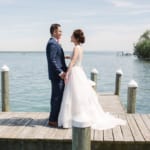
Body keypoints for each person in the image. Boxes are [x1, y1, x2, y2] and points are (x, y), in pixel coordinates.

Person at [58, 29, 126, 130]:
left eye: (72, 36)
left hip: (75, 72)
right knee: (78, 95)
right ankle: (77, 115)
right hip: (79, 71)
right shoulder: (79, 47)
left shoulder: (76, 47)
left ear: (76, 38)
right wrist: (66, 57)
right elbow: (75, 59)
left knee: (74, 95)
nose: (70, 37)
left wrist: (67, 73)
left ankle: (75, 117)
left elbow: (73, 62)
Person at [46, 23, 67, 127]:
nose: (61, 33)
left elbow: (57, 58)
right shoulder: (52, 44)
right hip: (57, 76)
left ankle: (55, 117)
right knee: (56, 97)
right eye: (60, 31)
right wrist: (61, 72)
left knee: (57, 97)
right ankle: (52, 120)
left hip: (58, 75)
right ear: (54, 32)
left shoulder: (55, 43)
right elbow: (52, 60)